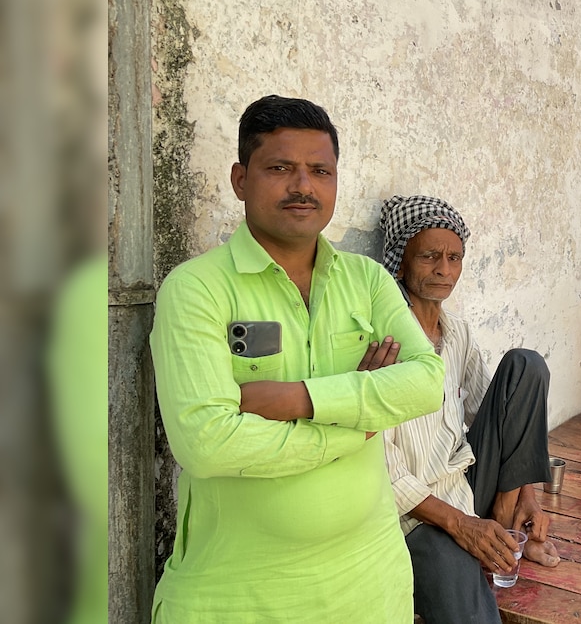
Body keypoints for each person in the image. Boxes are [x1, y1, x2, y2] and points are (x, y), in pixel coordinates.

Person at [150, 96, 445, 622]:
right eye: (280, 168)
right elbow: (207, 443)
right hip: (240, 596)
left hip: (371, 582)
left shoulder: (368, 280)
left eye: (319, 171)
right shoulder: (197, 289)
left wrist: (296, 398)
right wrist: (355, 426)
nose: (303, 186)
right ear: (241, 180)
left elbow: (426, 383)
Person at [378, 195, 559, 624]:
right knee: (467, 605)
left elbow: (494, 413)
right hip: (416, 517)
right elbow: (382, 471)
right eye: (429, 257)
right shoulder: (382, 340)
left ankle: (507, 519)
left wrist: (527, 496)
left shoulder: (457, 331)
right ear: (400, 263)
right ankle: (489, 534)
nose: (444, 269)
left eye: (454, 257)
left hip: (465, 488)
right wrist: (461, 526)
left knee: (525, 366)